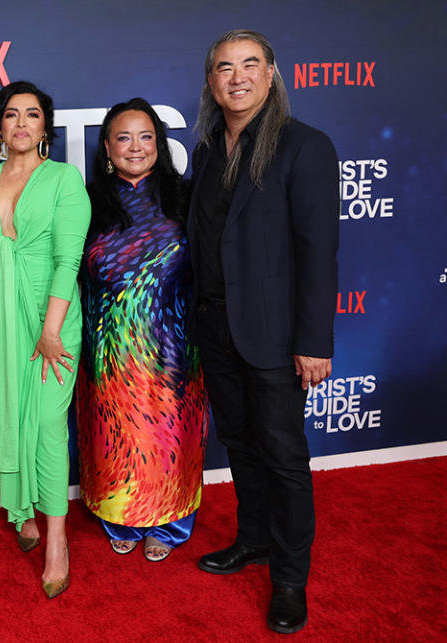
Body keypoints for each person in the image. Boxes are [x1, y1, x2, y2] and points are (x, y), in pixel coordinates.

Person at [188, 29, 339, 634]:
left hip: (275, 336)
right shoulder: (205, 151)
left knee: (283, 456)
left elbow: (318, 251)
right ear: (211, 81)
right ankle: (252, 539)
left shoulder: (304, 147)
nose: (238, 77)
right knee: (241, 444)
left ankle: (289, 579)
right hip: (215, 326)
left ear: (272, 75)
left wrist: (313, 342)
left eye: (251, 65)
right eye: (225, 67)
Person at [0, 81, 90, 598]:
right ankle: (22, 512)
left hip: (50, 314)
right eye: (11, 115)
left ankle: (56, 539)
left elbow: (69, 260)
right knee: (9, 412)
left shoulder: (64, 178)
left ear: (46, 127)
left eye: (32, 115)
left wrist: (50, 329)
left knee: (45, 421)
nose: (21, 123)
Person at [76, 98, 209, 563]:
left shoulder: (186, 196)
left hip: (173, 345)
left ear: (160, 143)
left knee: (170, 437)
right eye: (124, 138)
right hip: (107, 347)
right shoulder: (87, 201)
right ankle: (120, 518)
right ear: (107, 148)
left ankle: (170, 523)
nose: (136, 147)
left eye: (146, 136)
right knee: (114, 437)